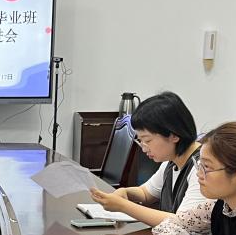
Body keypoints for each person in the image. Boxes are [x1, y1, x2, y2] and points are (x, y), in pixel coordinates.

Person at [89, 92, 207, 226]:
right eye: (140, 141)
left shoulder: (201, 167)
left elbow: (182, 222)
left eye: (147, 140)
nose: (144, 149)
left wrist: (123, 206)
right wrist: (125, 192)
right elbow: (146, 193)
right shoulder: (171, 160)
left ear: (174, 135)